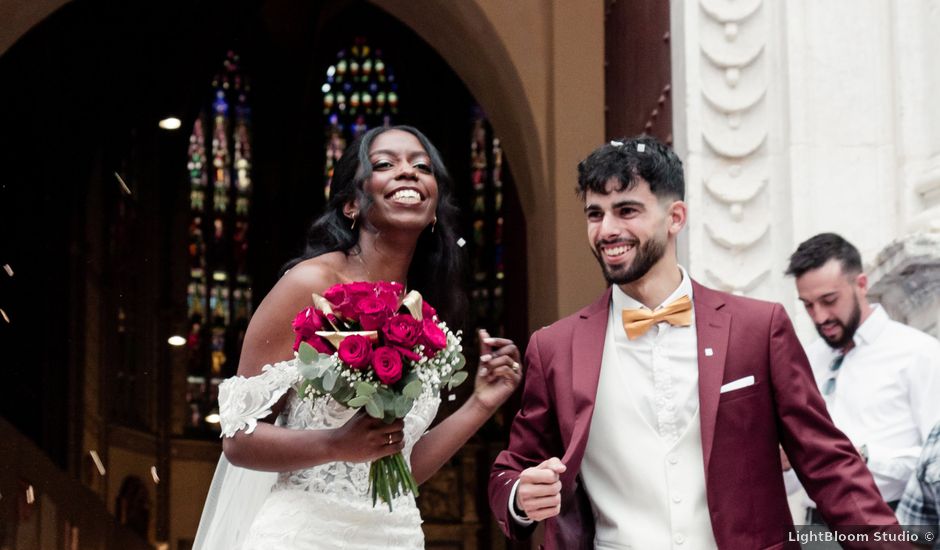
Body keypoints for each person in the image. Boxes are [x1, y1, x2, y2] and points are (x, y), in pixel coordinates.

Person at [488, 136, 897, 549]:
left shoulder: (758, 327)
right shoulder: (554, 347)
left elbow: (829, 464)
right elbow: (513, 468)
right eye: (595, 214)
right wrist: (521, 497)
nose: (608, 229)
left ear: (675, 217)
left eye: (627, 210)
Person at [194, 126, 522, 549]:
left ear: (435, 205)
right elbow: (238, 439)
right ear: (351, 203)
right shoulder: (309, 285)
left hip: (394, 535)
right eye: (385, 164)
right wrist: (334, 443)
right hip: (303, 535)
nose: (408, 173)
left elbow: (400, 466)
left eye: (422, 167)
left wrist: (481, 403)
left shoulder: (423, 317)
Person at [784, 233, 940, 523]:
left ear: (861, 284)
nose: (819, 317)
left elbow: (936, 465)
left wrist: (863, 456)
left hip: (894, 523)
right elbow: (793, 482)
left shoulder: (921, 354)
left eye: (829, 300)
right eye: (808, 305)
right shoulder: (805, 359)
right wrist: (785, 462)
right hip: (816, 529)